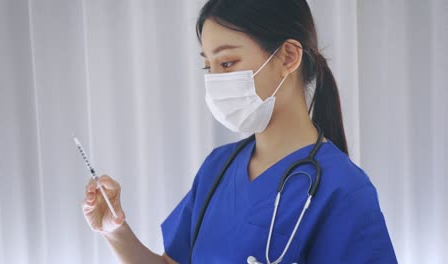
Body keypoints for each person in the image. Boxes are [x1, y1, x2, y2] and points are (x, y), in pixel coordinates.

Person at [82, 0, 398, 263]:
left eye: (228, 63)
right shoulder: (217, 169)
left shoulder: (342, 189)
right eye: (210, 67)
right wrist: (114, 230)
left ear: (288, 56)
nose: (215, 81)